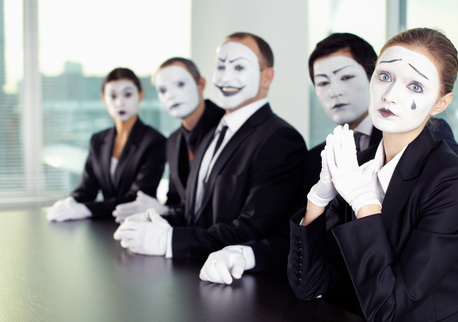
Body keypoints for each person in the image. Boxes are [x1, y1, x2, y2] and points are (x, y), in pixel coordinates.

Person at [198, 32, 458, 285]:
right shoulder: (318, 155)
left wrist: (424, 258)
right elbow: (304, 239)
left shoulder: (430, 136)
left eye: (345, 77)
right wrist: (247, 254)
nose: (334, 92)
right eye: (323, 83)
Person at [288, 28, 458, 322]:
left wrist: (364, 202)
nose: (391, 94)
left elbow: (389, 311)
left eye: (415, 86)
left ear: (440, 103)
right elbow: (309, 285)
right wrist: (319, 197)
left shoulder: (452, 182)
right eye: (384, 76)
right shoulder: (360, 163)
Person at [113, 32, 307, 260]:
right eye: (221, 67)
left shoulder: (279, 138)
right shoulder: (214, 133)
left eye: (239, 68)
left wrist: (169, 240)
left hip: (238, 282)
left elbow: (253, 230)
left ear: (267, 78)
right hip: (193, 271)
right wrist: (156, 219)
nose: (225, 78)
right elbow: (194, 213)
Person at [112, 58, 224, 225]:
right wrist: (159, 211)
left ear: (201, 84)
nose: (171, 95)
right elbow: (175, 201)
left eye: (180, 84)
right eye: (163, 90)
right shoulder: (172, 141)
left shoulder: (227, 128)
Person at [46, 68, 167, 222]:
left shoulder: (154, 141)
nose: (120, 102)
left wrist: (85, 209)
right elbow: (87, 189)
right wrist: (71, 202)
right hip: (101, 225)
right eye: (113, 96)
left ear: (140, 95)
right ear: (104, 99)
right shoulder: (98, 140)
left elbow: (137, 199)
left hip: (137, 225)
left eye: (128, 94)